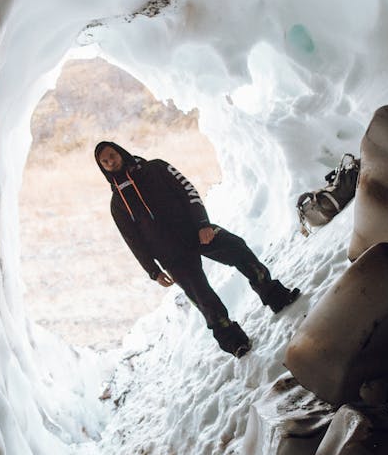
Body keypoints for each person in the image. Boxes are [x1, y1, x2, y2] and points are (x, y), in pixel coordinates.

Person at [95, 140, 300, 357]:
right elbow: (133, 240)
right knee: (204, 299)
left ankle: (275, 295)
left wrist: (203, 224)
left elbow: (188, 191)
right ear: (102, 167)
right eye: (105, 161)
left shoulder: (156, 167)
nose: (110, 162)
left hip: (196, 232)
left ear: (120, 152)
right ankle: (234, 342)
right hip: (171, 256)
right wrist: (152, 271)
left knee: (238, 249)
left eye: (112, 155)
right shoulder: (117, 204)